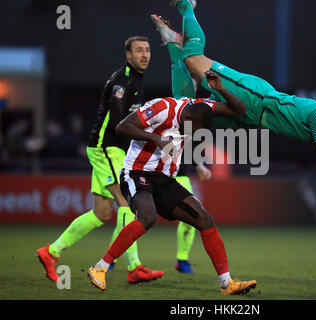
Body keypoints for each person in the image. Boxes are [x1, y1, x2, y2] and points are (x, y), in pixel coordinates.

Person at [151, 0, 316, 214]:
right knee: (195, 61)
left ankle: (175, 48)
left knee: (185, 113)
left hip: (250, 119)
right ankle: (188, 7)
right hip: (255, 97)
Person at [87, 70, 257, 295]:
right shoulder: (161, 108)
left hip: (166, 179)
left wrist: (220, 89)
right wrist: (156, 138)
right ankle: (100, 267)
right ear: (186, 119)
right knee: (147, 217)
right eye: (191, 131)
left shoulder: (201, 107)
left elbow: (240, 109)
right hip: (137, 172)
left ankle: (227, 283)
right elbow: (122, 127)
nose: (191, 135)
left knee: (205, 220)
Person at [36, 36, 164, 284]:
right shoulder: (122, 82)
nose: (145, 55)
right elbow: (118, 124)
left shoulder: (136, 80)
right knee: (127, 204)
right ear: (128, 55)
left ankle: (51, 252)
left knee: (102, 213)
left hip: (113, 150)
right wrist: (149, 138)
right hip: (107, 148)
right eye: (139, 51)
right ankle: (134, 267)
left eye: (147, 50)